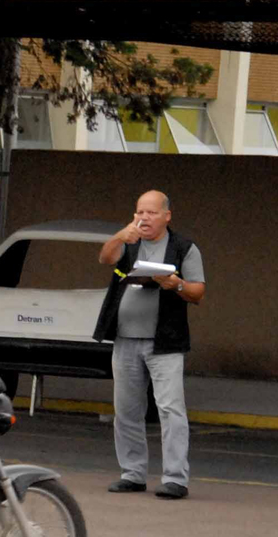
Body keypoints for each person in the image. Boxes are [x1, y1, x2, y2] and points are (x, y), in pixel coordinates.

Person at [95, 190, 206, 500]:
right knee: (127, 409)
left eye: (151, 212)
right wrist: (120, 235)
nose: (144, 218)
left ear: (167, 216)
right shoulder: (128, 242)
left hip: (165, 342)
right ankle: (132, 473)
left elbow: (197, 292)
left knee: (170, 409)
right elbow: (105, 257)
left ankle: (174, 478)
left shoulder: (184, 248)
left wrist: (177, 284)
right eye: (139, 212)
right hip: (125, 338)